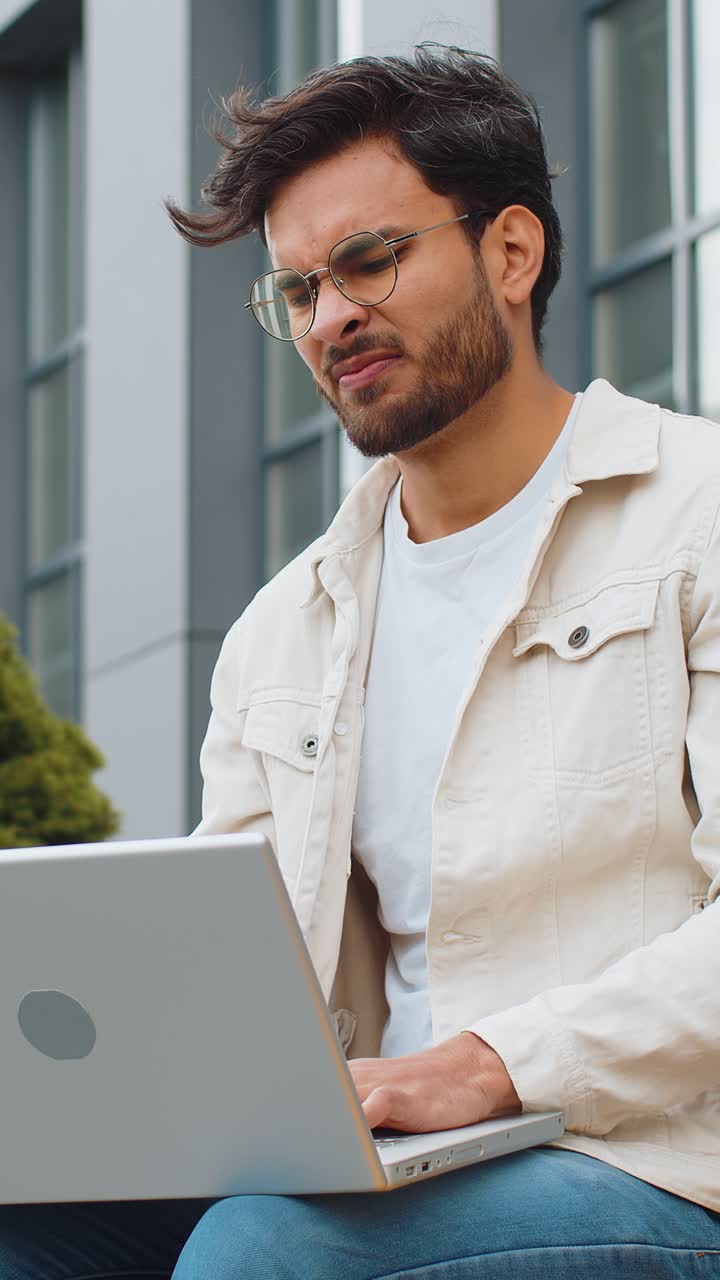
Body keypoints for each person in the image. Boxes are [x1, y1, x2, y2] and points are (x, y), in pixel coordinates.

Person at [1, 44, 718, 1280]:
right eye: (296, 289)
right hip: (387, 1164)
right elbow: (230, 975)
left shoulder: (696, 518)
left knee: (265, 1252)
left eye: (370, 260)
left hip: (655, 1161)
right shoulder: (285, 628)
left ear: (511, 252)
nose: (332, 316)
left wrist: (489, 1063)